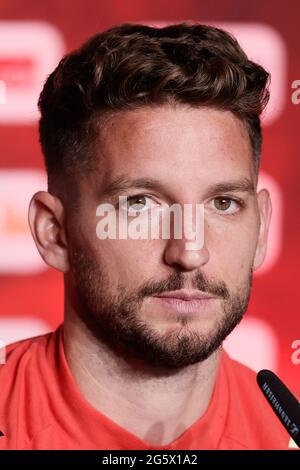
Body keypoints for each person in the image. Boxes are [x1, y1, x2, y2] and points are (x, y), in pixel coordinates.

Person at [0, 22, 291, 450]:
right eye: (141, 204)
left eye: (223, 203)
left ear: (262, 226)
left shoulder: (284, 436)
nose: (191, 251)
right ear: (54, 232)